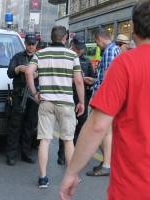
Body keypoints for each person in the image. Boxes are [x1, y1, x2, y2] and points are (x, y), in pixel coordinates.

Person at [59, 0, 150, 199]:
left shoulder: (124, 65)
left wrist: (72, 172)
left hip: (132, 188)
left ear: (134, 28)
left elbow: (97, 126)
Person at [25, 26, 85, 188]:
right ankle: (72, 177)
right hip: (66, 103)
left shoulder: (40, 53)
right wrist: (82, 102)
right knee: (68, 140)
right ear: (65, 38)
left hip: (46, 102)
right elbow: (79, 81)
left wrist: (34, 93)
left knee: (44, 140)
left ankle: (43, 178)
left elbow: (28, 72)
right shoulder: (72, 55)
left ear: (52, 37)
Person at [86, 28, 121, 176]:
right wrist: (94, 81)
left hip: (104, 98)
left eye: (96, 41)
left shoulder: (108, 51)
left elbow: (107, 79)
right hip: (110, 97)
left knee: (100, 131)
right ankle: (108, 161)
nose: (97, 45)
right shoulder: (115, 50)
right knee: (106, 132)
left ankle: (107, 164)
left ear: (100, 39)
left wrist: (96, 97)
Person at [57, 35, 95, 165]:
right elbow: (59, 78)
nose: (80, 51)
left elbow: (93, 78)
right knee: (66, 127)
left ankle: (74, 153)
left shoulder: (86, 61)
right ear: (72, 45)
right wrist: (77, 80)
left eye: (81, 49)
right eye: (77, 48)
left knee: (80, 127)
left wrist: (91, 81)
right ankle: (61, 155)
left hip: (82, 99)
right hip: (67, 98)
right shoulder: (64, 58)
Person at [5, 33, 39, 166]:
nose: (31, 47)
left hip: (33, 95)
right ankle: (11, 155)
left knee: (30, 126)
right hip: (19, 96)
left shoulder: (39, 58)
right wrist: (18, 69)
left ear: (36, 44)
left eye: (33, 44)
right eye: (29, 44)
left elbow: (46, 75)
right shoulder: (18, 57)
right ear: (25, 44)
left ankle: (26, 153)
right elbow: (9, 73)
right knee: (15, 126)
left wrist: (36, 74)